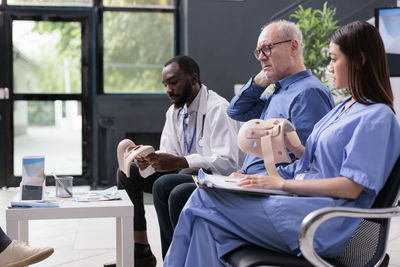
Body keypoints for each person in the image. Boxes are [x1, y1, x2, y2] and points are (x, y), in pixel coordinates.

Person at [163, 21, 400, 266]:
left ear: (359, 60)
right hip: (300, 203)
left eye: (333, 59)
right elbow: (315, 162)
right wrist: (293, 143)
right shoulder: (345, 108)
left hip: (321, 220)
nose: (329, 69)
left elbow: (352, 187)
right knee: (206, 226)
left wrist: (282, 183)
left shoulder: (377, 117)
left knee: (201, 201)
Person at [152, 19, 335, 258]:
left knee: (179, 195)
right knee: (164, 186)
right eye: (258, 51)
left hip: (268, 190)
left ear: (293, 47)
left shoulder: (308, 93)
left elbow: (311, 164)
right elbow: (236, 110)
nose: (261, 56)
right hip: (248, 182)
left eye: (267, 48)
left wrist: (265, 180)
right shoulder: (278, 92)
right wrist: (261, 80)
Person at [115, 55, 241, 267]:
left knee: (167, 185)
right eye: (165, 84)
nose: (168, 89)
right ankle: (141, 251)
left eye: (173, 82)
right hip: (184, 173)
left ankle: (173, 261)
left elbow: (227, 163)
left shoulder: (218, 108)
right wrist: (149, 160)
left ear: (193, 79)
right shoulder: (174, 112)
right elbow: (169, 151)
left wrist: (181, 161)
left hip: (217, 179)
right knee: (128, 174)